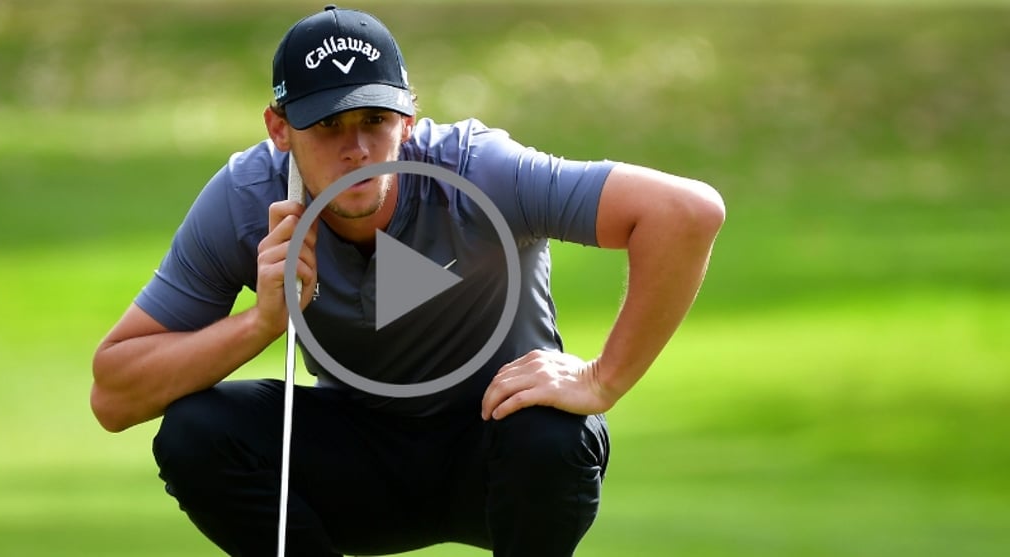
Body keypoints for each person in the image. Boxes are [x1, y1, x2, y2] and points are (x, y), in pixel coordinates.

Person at [90, 5, 724, 557]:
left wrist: (601, 380)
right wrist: (262, 323)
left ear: (409, 119)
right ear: (279, 129)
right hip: (360, 463)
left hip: (503, 454)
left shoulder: (478, 170)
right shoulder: (246, 198)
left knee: (551, 430)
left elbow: (686, 212)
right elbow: (114, 396)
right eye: (327, 125)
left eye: (375, 119)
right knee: (198, 432)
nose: (357, 150)